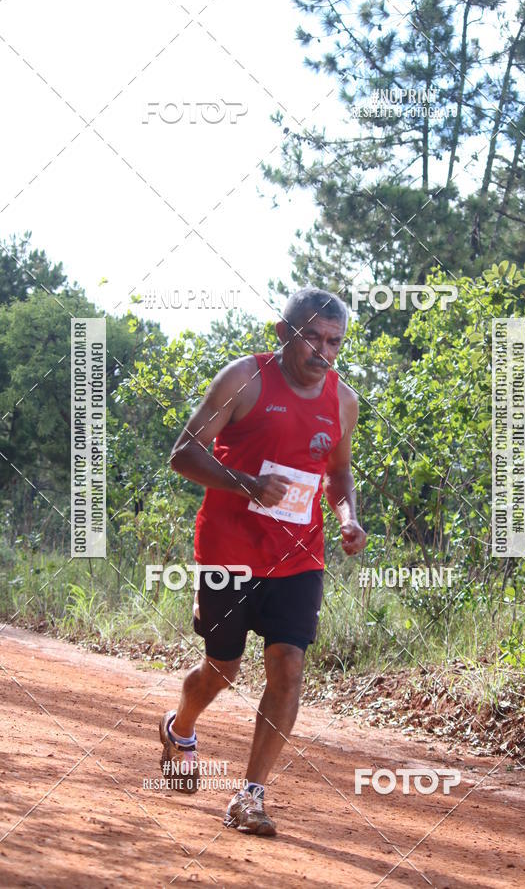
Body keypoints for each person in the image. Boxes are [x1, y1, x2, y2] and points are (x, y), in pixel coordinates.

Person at [160, 288, 367, 835]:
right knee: (223, 670)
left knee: (288, 669)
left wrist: (347, 516)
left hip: (299, 559)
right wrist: (246, 482)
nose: (323, 351)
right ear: (283, 332)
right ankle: (180, 728)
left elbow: (339, 471)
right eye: (313, 337)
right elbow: (183, 452)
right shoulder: (244, 379)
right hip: (228, 550)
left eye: (334, 341)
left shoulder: (343, 400)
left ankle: (249, 796)